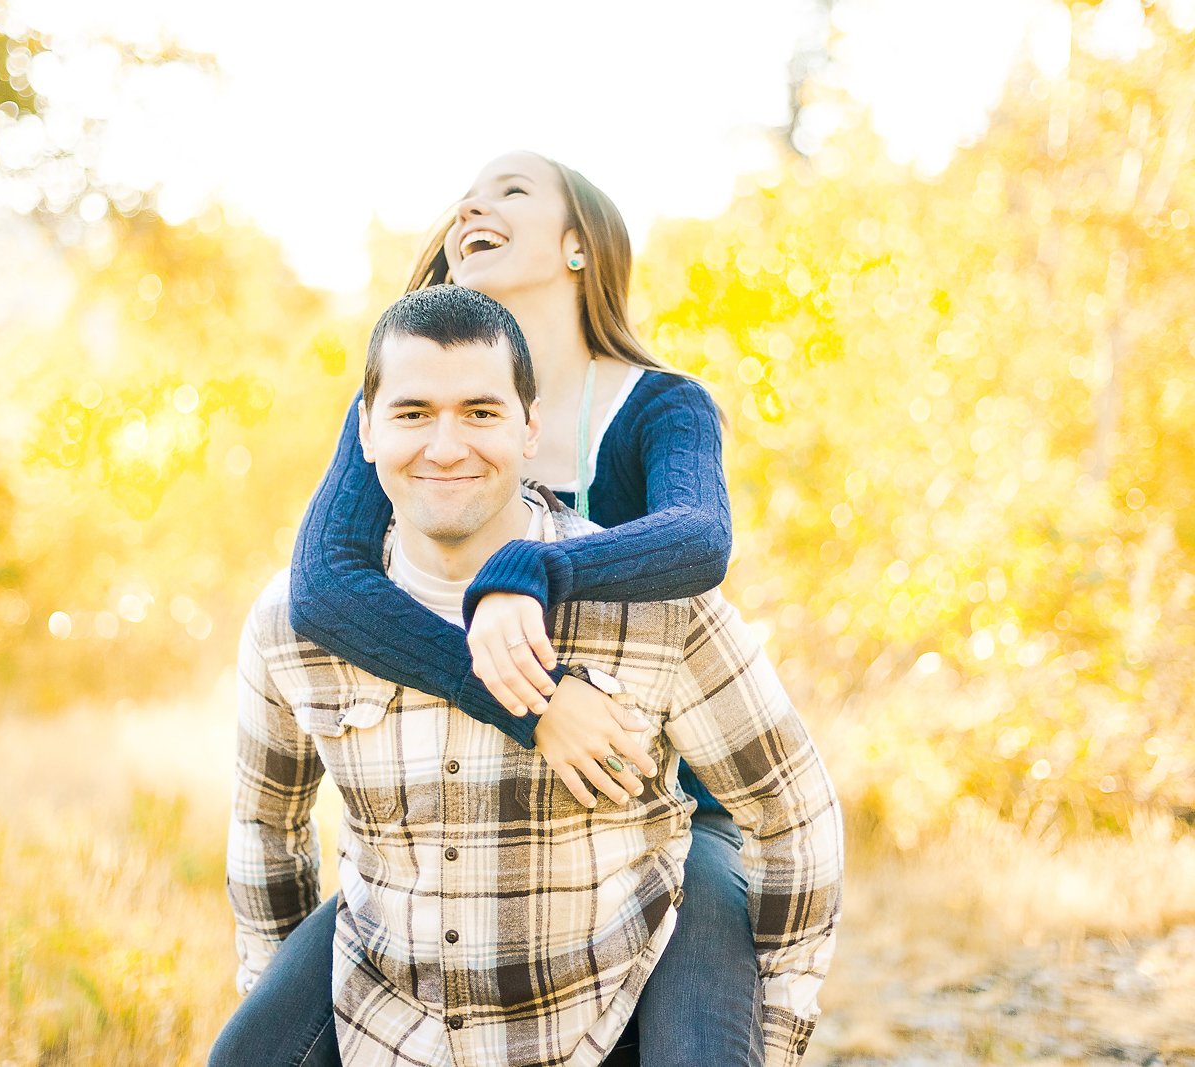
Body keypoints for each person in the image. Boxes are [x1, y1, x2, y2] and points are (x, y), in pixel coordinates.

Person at [216, 285, 842, 1067]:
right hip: (389, 1027)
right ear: (366, 431)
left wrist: (775, 1033)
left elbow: (793, 814)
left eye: (480, 412)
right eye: (413, 414)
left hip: (604, 1018)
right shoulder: (292, 622)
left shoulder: (650, 609)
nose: (446, 446)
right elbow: (264, 830)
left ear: (529, 428)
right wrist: (272, 988)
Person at [288, 153, 758, 1060]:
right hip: (461, 820)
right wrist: (532, 702)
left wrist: (528, 572)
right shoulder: (412, 406)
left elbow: (701, 539)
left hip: (661, 799)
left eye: (510, 190)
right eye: (467, 193)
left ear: (582, 245)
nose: (470, 202)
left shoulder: (663, 404)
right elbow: (324, 586)